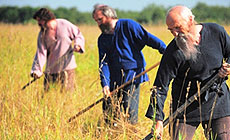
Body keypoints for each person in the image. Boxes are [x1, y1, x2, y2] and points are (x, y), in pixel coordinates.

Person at [145, 5, 230, 140]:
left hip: (217, 101)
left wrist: (227, 68)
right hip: (185, 107)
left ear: (190, 20)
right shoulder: (173, 51)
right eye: (171, 30)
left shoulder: (216, 32)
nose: (175, 33)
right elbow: (160, 87)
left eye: (177, 27)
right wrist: (158, 120)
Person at [92, 4, 166, 125]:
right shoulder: (102, 39)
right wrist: (105, 84)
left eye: (100, 19)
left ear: (109, 15)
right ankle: (112, 133)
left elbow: (148, 38)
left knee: (129, 108)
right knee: (109, 109)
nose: (98, 24)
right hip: (113, 77)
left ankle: (131, 132)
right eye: (96, 21)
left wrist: (165, 51)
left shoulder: (128, 25)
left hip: (132, 74)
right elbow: (103, 62)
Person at [31, 8, 85, 92]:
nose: (38, 23)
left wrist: (78, 45)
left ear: (46, 19)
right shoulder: (42, 34)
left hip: (67, 68)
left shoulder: (64, 24)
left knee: (67, 94)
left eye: (40, 20)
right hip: (50, 70)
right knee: (47, 95)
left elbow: (78, 35)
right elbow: (41, 53)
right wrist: (37, 71)